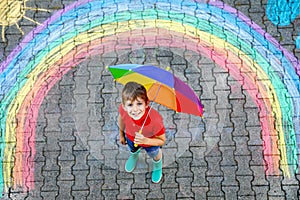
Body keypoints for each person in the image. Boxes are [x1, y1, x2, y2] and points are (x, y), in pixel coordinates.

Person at [118, 81, 166, 183]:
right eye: (130, 105)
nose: (135, 109)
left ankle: (158, 165)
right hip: (131, 138)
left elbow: (161, 141)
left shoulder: (155, 119)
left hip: (150, 143)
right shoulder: (123, 111)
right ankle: (134, 155)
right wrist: (121, 134)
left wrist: (146, 140)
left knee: (155, 154)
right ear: (124, 106)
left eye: (139, 104)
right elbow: (121, 120)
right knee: (133, 148)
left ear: (147, 103)